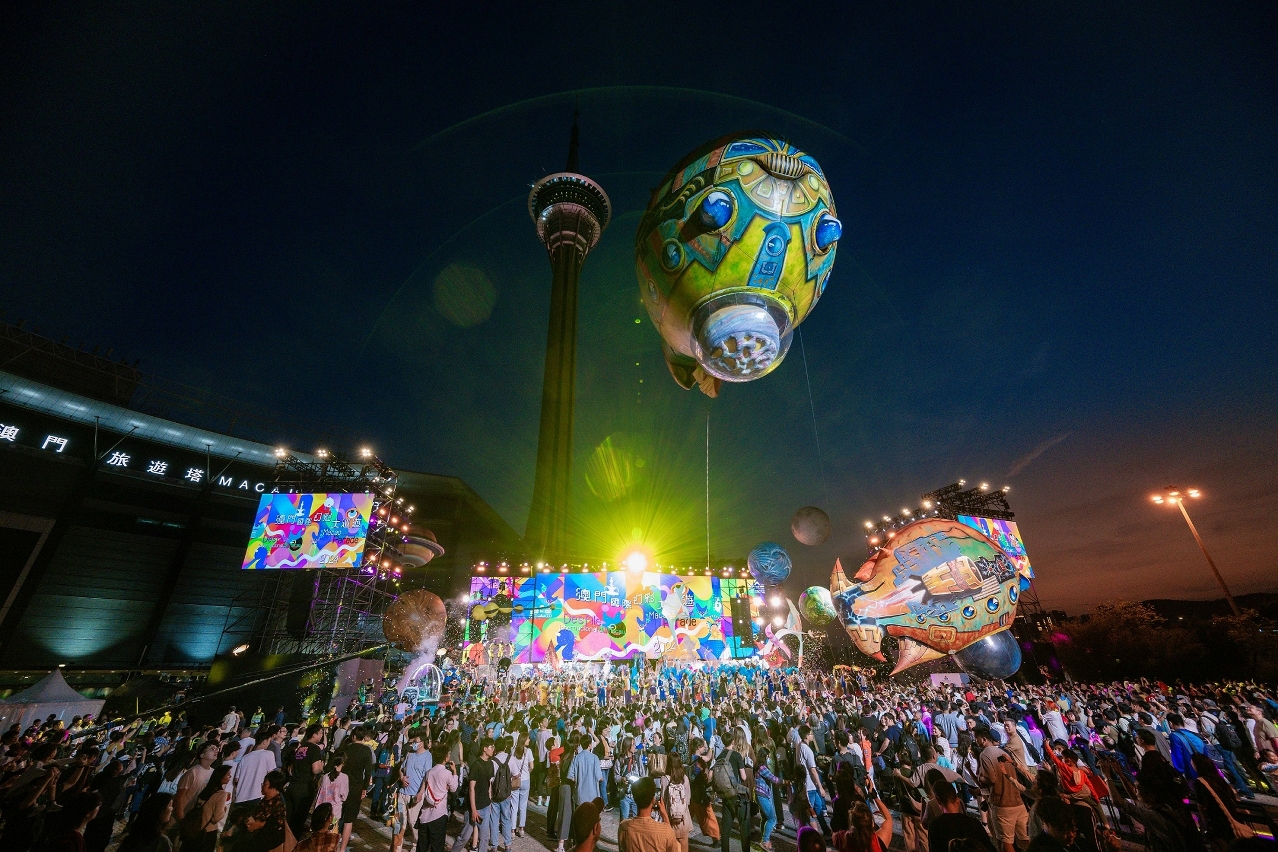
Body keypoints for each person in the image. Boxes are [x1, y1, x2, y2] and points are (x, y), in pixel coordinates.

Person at [976, 727, 1029, 852]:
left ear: (984, 739)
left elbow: (992, 779)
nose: (975, 740)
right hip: (1018, 802)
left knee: (1006, 842)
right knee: (1024, 839)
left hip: (1002, 805)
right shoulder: (1003, 752)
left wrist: (980, 777)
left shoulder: (985, 754)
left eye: (976, 737)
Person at [449, 737, 495, 852]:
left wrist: (489, 801)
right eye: (491, 747)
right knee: (464, 837)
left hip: (485, 805)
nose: (493, 749)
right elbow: (471, 788)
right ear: (485, 749)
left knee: (484, 838)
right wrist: (474, 810)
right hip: (473, 807)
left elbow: (489, 784)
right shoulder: (476, 765)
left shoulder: (490, 764)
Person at [927, 779, 995, 852]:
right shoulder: (973, 823)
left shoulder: (935, 824)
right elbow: (989, 847)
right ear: (957, 799)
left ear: (938, 800)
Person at [337, 726, 375, 852]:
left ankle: (334, 843)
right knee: (349, 819)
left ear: (353, 736)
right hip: (356, 787)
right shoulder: (366, 750)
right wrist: (364, 788)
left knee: (337, 815)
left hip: (341, 784)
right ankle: (342, 849)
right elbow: (368, 772)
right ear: (363, 737)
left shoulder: (346, 748)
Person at [232, 770, 289, 852]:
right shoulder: (266, 799)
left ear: (273, 787)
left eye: (265, 784)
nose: (262, 786)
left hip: (263, 843)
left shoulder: (279, 803)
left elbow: (278, 825)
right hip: (252, 839)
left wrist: (260, 825)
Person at [619, 776, 679, 852]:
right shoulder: (666, 831)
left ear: (634, 798)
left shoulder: (623, 827)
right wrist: (664, 814)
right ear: (653, 799)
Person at [417, 744, 459, 852]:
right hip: (439, 814)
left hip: (425, 814)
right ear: (446, 758)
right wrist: (455, 772)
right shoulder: (447, 773)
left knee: (422, 846)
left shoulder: (429, 772)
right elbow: (454, 788)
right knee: (437, 847)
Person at [179, 765, 231, 852]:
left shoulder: (206, 789)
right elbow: (216, 818)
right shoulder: (222, 794)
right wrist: (224, 810)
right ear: (221, 776)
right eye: (228, 774)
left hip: (194, 829)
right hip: (208, 832)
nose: (230, 776)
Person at [35, 790, 100, 852]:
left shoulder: (65, 831)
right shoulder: (72, 840)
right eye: (97, 806)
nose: (99, 809)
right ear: (88, 813)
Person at [663, 754, 693, 852]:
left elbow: (663, 800)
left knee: (671, 847)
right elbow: (688, 799)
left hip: (670, 819)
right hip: (683, 818)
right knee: (684, 847)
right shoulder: (685, 778)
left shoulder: (665, 779)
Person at [314, 755, 349, 830]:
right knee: (332, 831)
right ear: (343, 763)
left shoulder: (325, 776)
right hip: (335, 810)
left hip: (323, 809)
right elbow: (344, 796)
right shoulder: (344, 777)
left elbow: (320, 793)